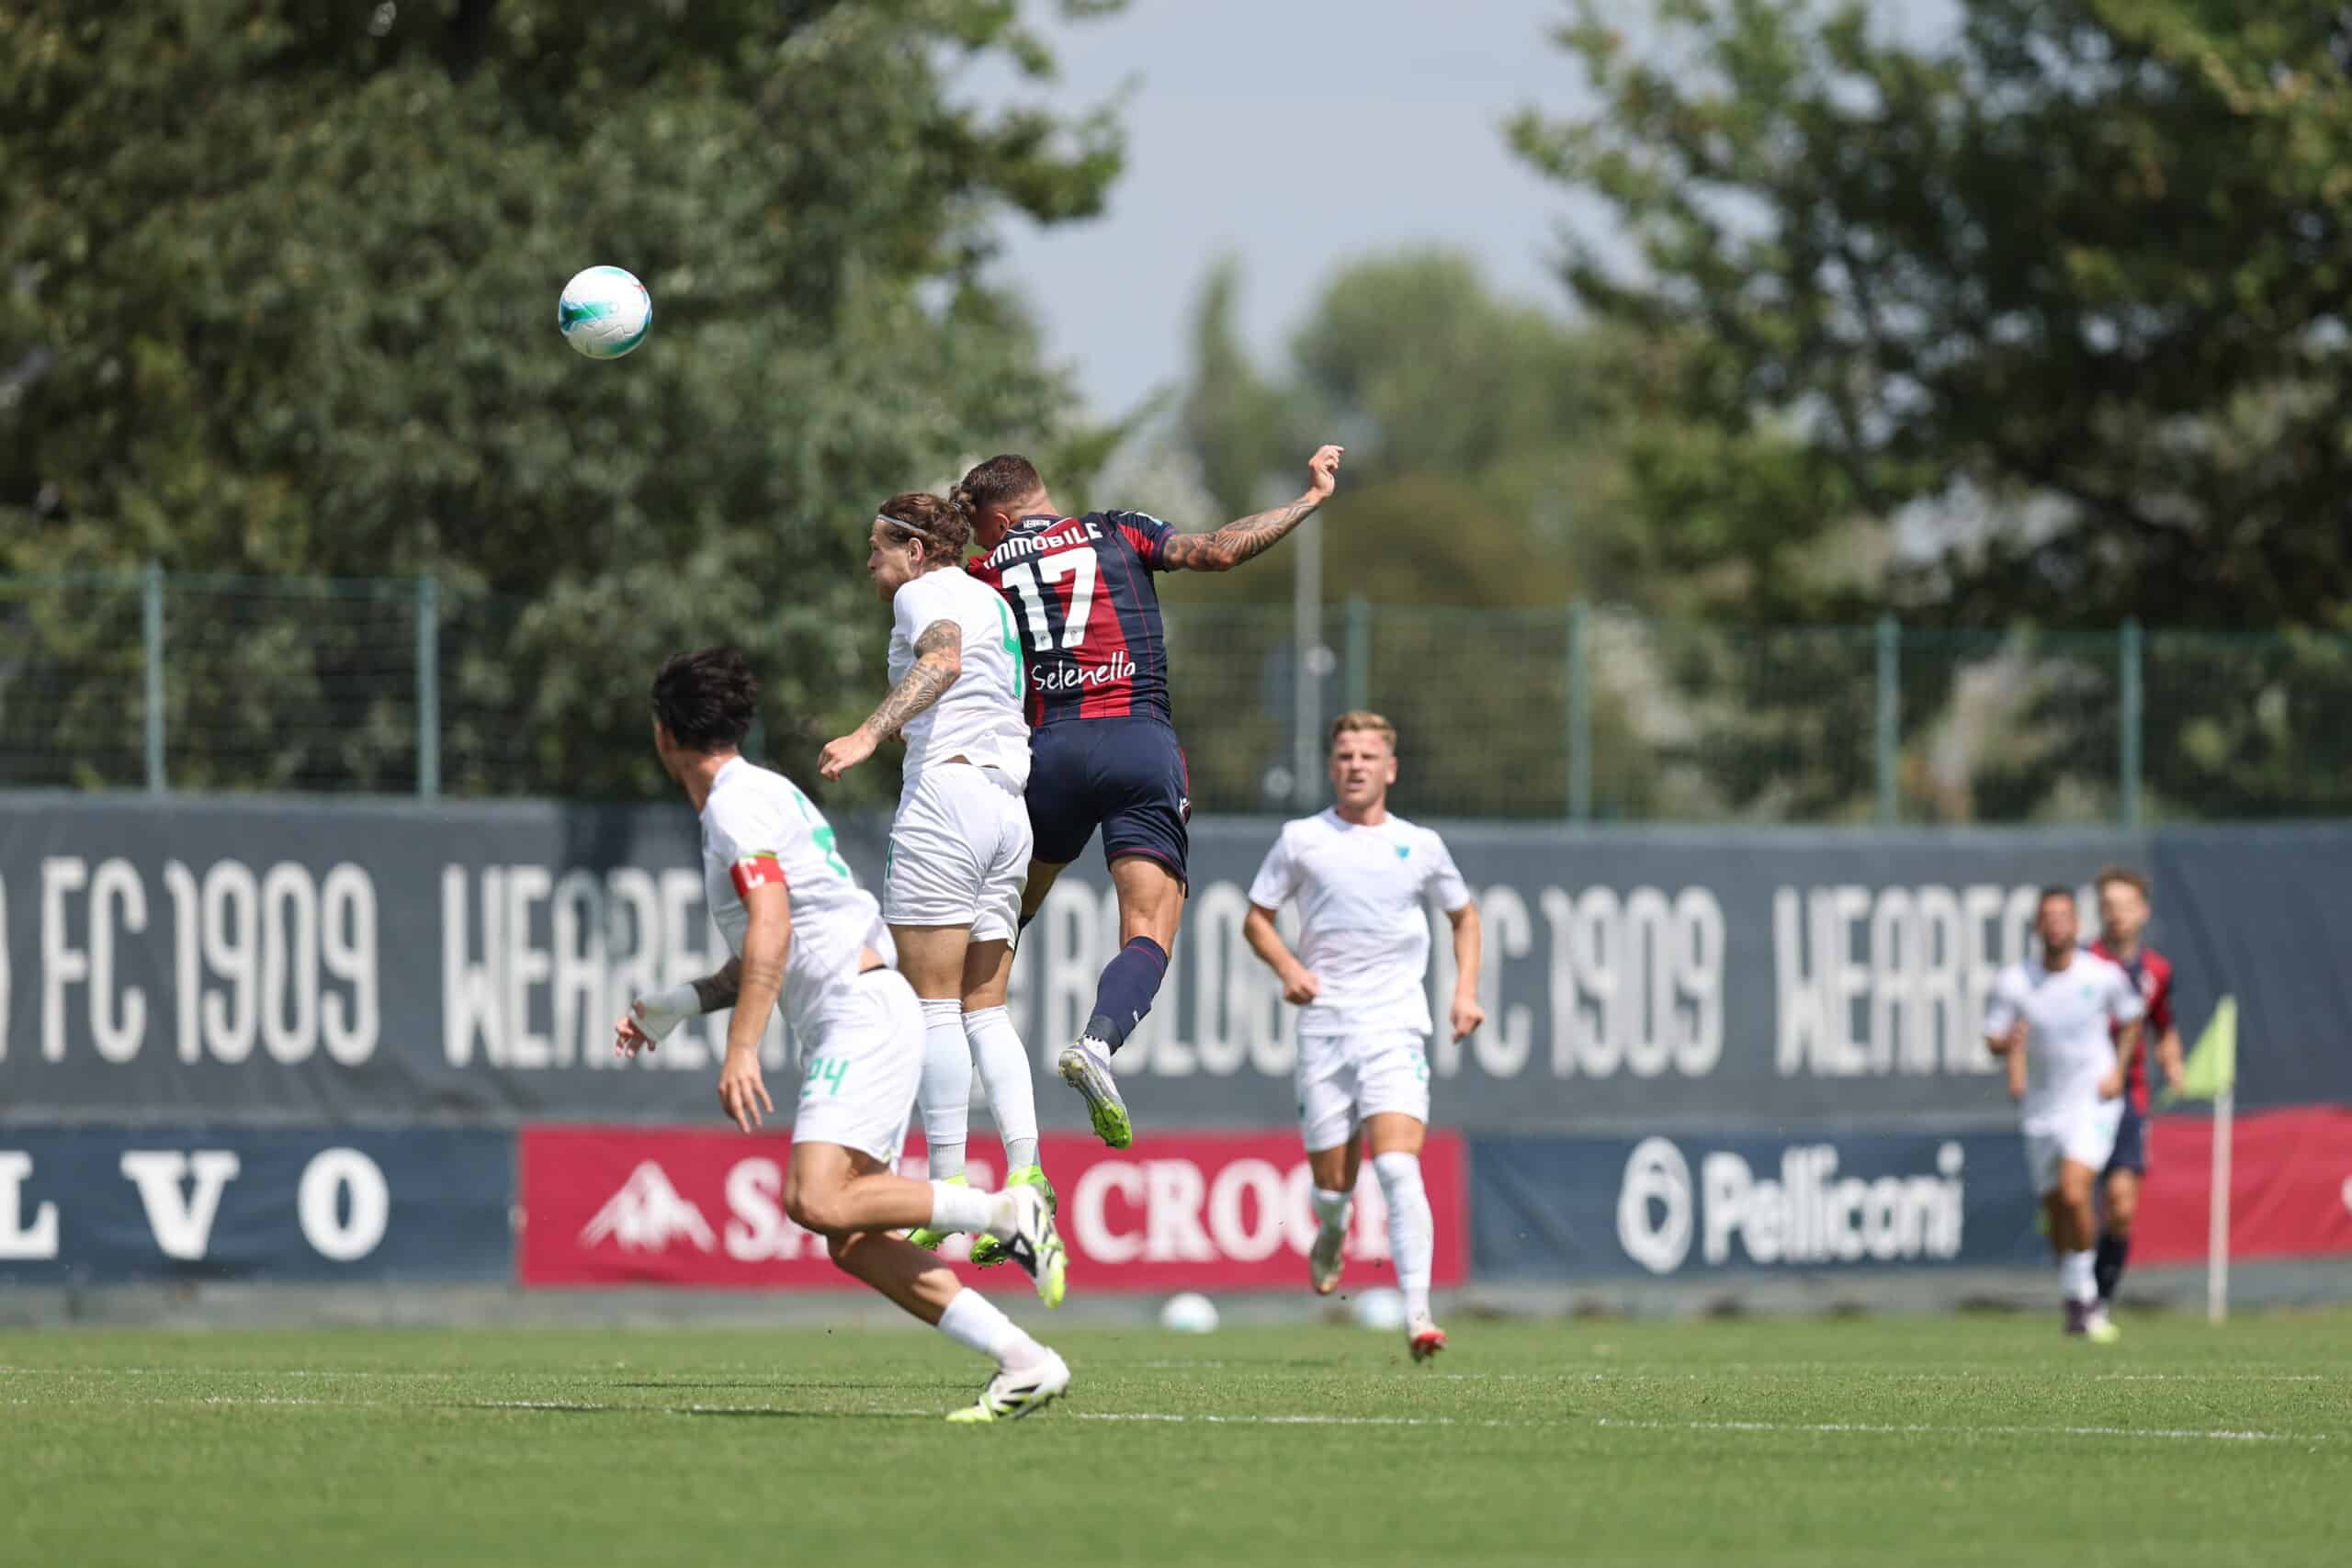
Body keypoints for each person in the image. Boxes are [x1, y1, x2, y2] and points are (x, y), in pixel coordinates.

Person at [614, 646, 1069, 1421]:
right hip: (865, 1009)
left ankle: (1002, 1213)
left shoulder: (732, 806)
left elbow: (772, 928)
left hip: (860, 1014)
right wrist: (673, 1006)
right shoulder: (757, 794)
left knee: (813, 1195)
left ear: (665, 737)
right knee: (851, 1233)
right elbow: (765, 952)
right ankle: (1026, 1359)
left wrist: (742, 1047)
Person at [956, 443, 1346, 1148]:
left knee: (1009, 910)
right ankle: (1098, 1042)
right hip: (1137, 739)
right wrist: (1309, 499)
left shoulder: (984, 571)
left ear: (1001, 515)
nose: (989, 540)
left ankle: (959, 1025)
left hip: (1048, 752)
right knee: (1148, 928)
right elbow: (1220, 550)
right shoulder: (1116, 529)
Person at [817, 493, 1050, 1267]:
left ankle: (948, 1188)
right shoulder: (994, 598)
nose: (871, 560)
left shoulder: (925, 593)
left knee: (931, 1006)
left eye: (879, 545)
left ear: (916, 549)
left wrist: (866, 733)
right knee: (986, 1008)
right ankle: (1026, 1171)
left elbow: (942, 659)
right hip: (1008, 808)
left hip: (946, 798)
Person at [1240, 712, 1483, 1363]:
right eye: (1345, 754)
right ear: (1331, 766)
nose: (1355, 765)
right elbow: (1256, 919)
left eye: (1368, 755)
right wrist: (1289, 967)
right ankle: (1332, 1230)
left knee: (1400, 1166)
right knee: (1333, 1189)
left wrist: (1463, 992)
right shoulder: (1302, 839)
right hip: (1325, 1026)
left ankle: (1418, 1314)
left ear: (1390, 768)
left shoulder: (1421, 846)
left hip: (1395, 1025)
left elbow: (1464, 917)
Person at [1985, 886, 2144, 1342]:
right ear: (2038, 927)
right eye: (2048, 917)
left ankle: (2087, 1297)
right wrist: (2007, 1046)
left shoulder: (2103, 975)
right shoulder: (2016, 982)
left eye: (2064, 917)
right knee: (2056, 1210)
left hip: (2092, 1102)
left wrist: (2117, 1069)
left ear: (2077, 925)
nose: (2056, 925)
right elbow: (1994, 1038)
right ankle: (2076, 1297)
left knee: (2076, 1193)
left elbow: (2133, 1017)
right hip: (2042, 1108)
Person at [2087, 864, 2184, 1314]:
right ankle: (2078, 1287)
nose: (2116, 914)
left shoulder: (2157, 971)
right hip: (2077, 1096)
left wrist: (2172, 1058)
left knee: (2121, 1206)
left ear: (2142, 912)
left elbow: (2163, 1024)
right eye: (2108, 906)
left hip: (2129, 1096)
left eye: (2125, 905)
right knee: (2072, 1203)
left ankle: (2097, 1302)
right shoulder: (2081, 963)